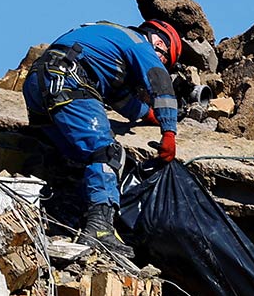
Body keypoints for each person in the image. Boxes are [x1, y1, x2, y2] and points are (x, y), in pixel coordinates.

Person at [23, 20, 182, 259]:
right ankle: (99, 231)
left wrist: (149, 115)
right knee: (106, 153)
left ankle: (60, 217)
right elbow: (160, 83)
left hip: (39, 82)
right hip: (69, 79)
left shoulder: (109, 43)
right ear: (159, 43)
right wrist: (169, 130)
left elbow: (121, 100)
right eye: (164, 58)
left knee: (75, 158)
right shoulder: (140, 44)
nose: (160, 62)